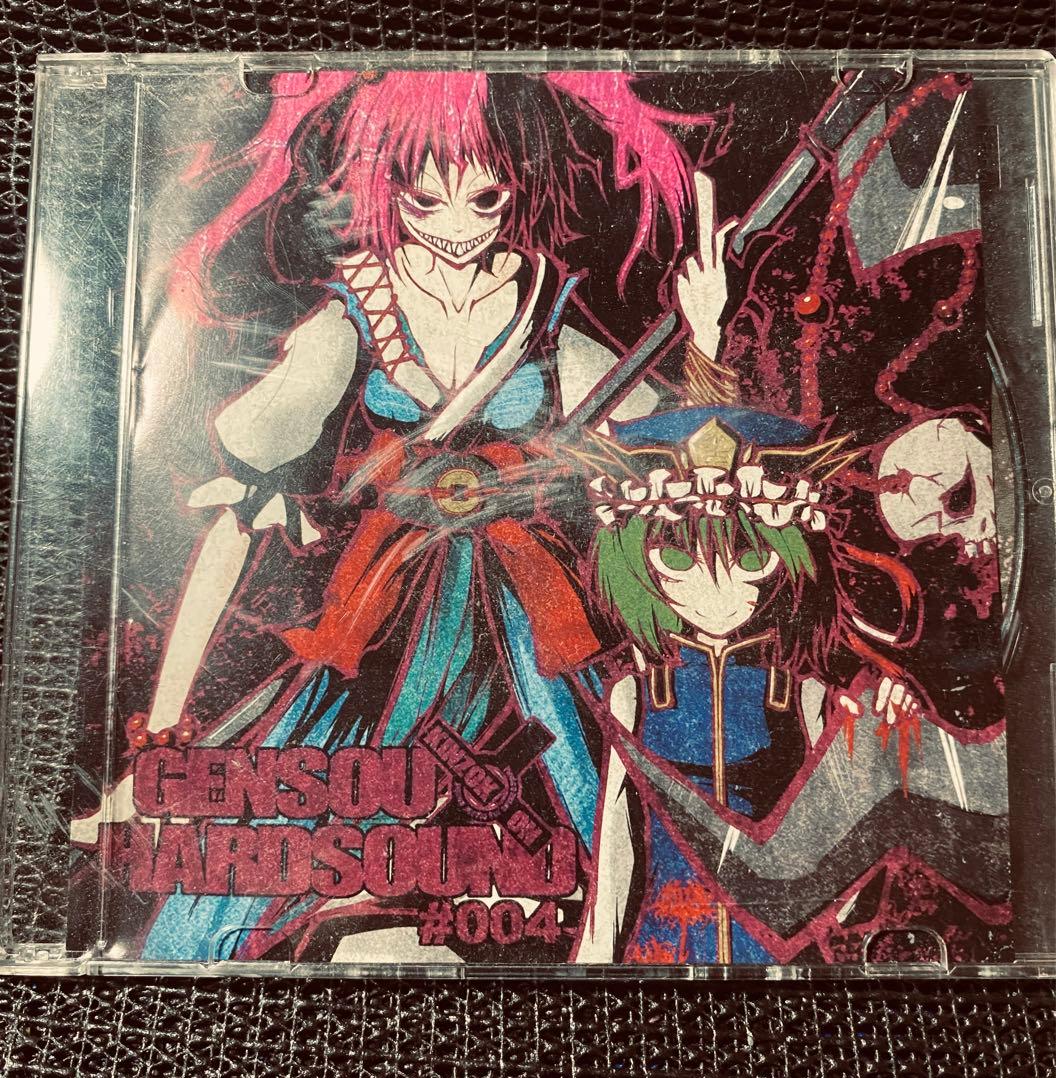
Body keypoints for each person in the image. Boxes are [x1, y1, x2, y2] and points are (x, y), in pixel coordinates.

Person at [75, 70, 736, 962]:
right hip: (383, 632)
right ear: (390, 187)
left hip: (532, 634)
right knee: (277, 847)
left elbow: (679, 454)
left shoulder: (545, 309)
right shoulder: (356, 311)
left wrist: (706, 338)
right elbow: (240, 516)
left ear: (518, 183)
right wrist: (161, 733)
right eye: (428, 201)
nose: (459, 226)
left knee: (612, 832)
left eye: (485, 199)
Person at [572, 405, 934, 964]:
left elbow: (846, 860)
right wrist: (592, 966)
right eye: (676, 557)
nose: (715, 587)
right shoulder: (635, 695)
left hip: (780, 965)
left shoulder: (804, 694)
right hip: (663, 951)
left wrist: (885, 735)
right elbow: (618, 847)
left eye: (751, 557)